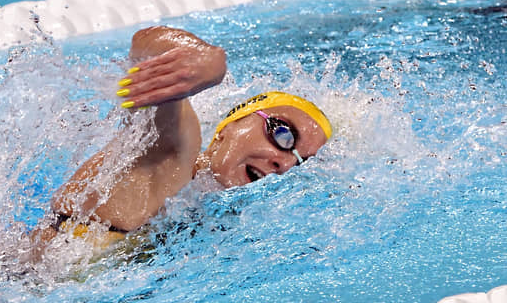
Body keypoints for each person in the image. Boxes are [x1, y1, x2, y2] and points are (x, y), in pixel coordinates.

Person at [25, 25, 332, 262]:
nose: (284, 163)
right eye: (282, 134)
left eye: (300, 161)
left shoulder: (203, 208)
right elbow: (144, 45)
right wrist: (208, 61)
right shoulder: (170, 160)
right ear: (230, 125)